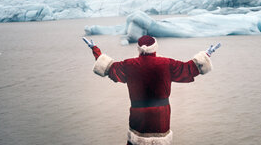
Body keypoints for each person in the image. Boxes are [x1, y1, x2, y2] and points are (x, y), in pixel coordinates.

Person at [88, 35, 216, 145]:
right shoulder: (166, 63)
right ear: (155, 48)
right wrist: (206, 55)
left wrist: (96, 50)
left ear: (138, 49)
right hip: (161, 114)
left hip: (138, 114)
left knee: (136, 141)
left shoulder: (129, 64)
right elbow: (188, 69)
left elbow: (109, 68)